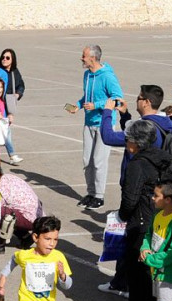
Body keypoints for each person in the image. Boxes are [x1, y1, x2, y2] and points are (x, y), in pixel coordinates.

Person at [111, 120, 172, 301]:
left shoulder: (138, 164)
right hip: (158, 217)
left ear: (135, 142)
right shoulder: (162, 158)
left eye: (128, 139)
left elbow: (130, 197)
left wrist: (122, 215)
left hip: (140, 220)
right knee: (147, 268)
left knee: (137, 267)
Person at [65, 45, 123, 210]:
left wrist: (96, 105)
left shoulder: (108, 76)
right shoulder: (87, 75)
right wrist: (78, 105)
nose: (81, 58)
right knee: (87, 161)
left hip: (104, 124)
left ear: (93, 58)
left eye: (83, 56)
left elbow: (118, 98)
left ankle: (99, 196)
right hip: (89, 122)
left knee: (99, 161)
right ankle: (90, 193)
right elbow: (86, 96)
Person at [0, 48, 25, 121]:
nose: (4, 59)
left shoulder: (15, 72)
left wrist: (18, 94)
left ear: (12, 60)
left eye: (7, 58)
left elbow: (21, 85)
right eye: (3, 57)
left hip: (10, 102)